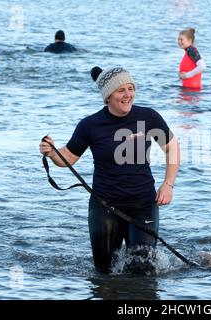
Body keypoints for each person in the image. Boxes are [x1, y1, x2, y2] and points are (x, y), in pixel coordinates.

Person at [39, 66, 180, 274]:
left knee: (143, 270)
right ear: (108, 96)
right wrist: (52, 153)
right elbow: (68, 157)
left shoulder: (149, 117)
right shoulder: (90, 125)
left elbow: (172, 147)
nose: (128, 95)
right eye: (121, 90)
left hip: (143, 204)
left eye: (130, 88)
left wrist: (168, 184)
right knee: (104, 272)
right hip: (104, 207)